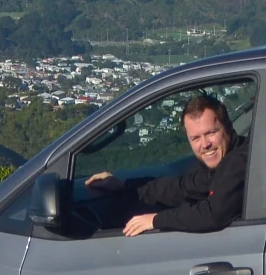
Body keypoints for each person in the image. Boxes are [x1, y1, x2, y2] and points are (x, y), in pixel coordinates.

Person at [86, 94, 246, 236]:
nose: (205, 144)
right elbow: (181, 188)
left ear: (228, 128)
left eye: (211, 133)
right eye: (195, 138)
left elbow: (212, 215)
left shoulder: (240, 162)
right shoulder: (221, 166)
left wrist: (155, 220)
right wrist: (127, 187)